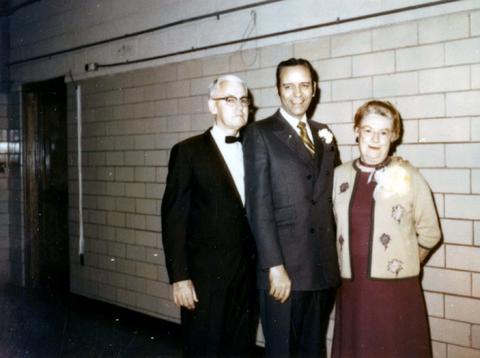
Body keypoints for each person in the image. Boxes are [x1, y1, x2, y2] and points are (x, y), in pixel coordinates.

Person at [243, 58, 340, 357]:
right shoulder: (260, 133)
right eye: (288, 86)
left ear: (315, 90)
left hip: (321, 268)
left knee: (313, 350)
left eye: (304, 85)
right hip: (283, 269)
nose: (297, 93)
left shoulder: (324, 133)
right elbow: (257, 206)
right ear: (277, 90)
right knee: (283, 351)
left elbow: (334, 194)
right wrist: (274, 267)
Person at [331, 100, 441, 357]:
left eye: (383, 132)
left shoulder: (408, 175)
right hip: (352, 290)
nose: (375, 139)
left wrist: (405, 262)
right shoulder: (338, 176)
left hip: (396, 292)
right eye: (368, 130)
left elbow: (430, 232)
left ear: (394, 136)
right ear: (356, 130)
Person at [161, 75, 257, 357]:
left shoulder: (254, 149)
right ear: (211, 106)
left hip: (246, 275)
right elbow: (173, 219)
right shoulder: (188, 152)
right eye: (229, 100)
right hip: (204, 279)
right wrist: (179, 277)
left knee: (239, 349)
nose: (239, 106)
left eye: (243, 100)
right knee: (204, 350)